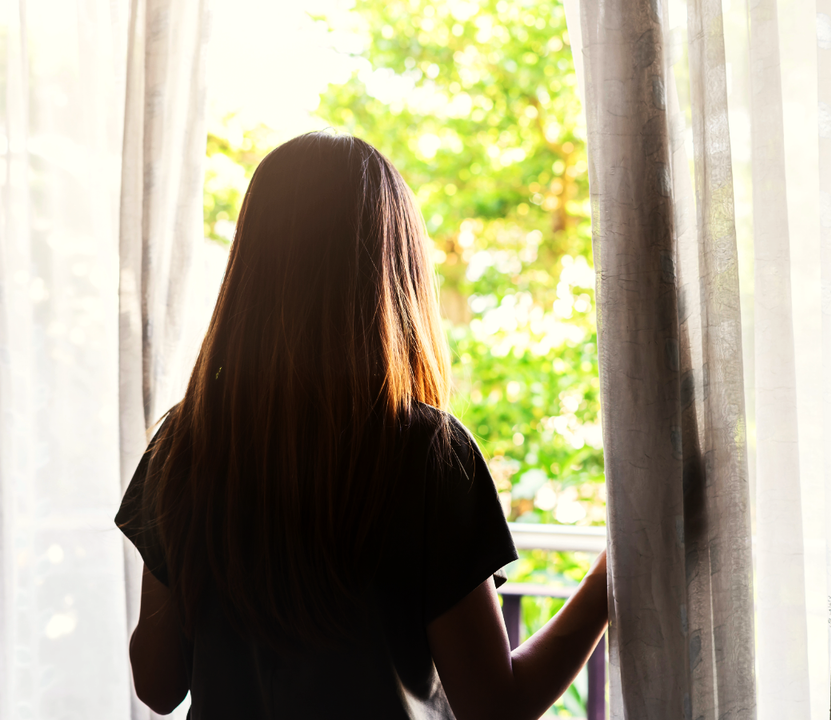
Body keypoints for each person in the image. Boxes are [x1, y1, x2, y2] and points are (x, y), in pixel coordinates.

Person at [116, 131, 609, 719]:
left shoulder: (187, 442)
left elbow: (157, 683)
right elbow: (494, 707)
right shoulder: (428, 455)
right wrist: (610, 576)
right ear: (391, 272)